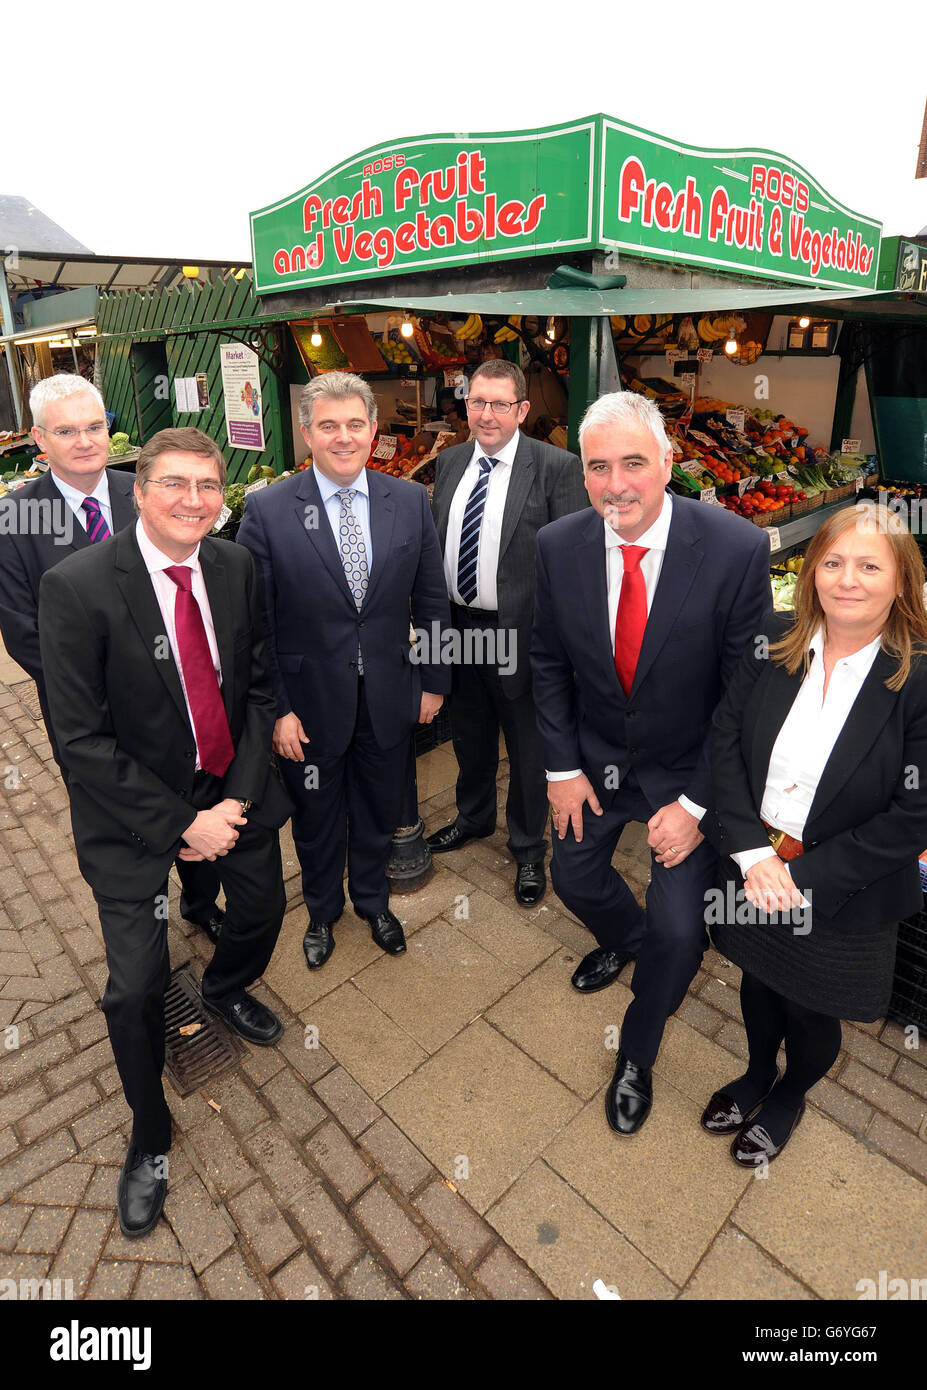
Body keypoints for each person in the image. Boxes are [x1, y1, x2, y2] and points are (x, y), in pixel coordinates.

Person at [38, 427, 291, 1238]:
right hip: (130, 817)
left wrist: (234, 807)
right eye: (175, 484)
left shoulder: (235, 565)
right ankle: (150, 1136)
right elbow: (79, 740)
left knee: (260, 912)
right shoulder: (78, 587)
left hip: (230, 788)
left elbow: (254, 691)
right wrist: (181, 824)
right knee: (135, 988)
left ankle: (223, 988)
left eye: (209, 486)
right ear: (138, 491)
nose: (193, 500)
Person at [531, 390, 771, 1135]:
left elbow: (743, 694)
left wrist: (698, 807)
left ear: (668, 462)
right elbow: (545, 661)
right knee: (571, 876)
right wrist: (559, 767)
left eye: (633, 462)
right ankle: (622, 941)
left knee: (677, 932)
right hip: (594, 762)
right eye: (598, 466)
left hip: (687, 773)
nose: (616, 484)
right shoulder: (557, 544)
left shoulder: (733, 548)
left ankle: (636, 1050)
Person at [702, 502, 927, 1166]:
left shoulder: (916, 682)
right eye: (831, 562)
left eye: (867, 565)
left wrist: (798, 880)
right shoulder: (773, 641)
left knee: (810, 1006)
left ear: (899, 580)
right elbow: (723, 746)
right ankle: (752, 1075)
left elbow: (911, 815)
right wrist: (750, 854)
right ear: (810, 573)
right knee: (756, 977)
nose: (846, 579)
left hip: (840, 890)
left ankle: (788, 1095)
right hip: (753, 863)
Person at [0, 374, 225, 946]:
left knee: (195, 807)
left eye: (95, 426)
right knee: (130, 827)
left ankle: (201, 903)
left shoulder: (149, 491)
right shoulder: (17, 519)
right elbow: (26, 634)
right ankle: (146, 932)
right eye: (66, 431)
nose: (84, 441)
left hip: (181, 711)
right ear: (38, 439)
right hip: (95, 725)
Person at [236, 372, 450, 970]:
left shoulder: (408, 500)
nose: (343, 437)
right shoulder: (269, 510)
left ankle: (373, 902)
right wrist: (278, 708)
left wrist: (433, 681)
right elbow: (258, 625)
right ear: (307, 433)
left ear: (374, 430)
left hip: (389, 695)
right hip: (307, 706)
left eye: (355, 424)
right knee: (317, 817)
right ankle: (322, 913)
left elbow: (431, 599)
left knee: (382, 808)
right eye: (328, 426)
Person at [426, 360, 587, 906]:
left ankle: (526, 849)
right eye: (477, 402)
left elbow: (572, 567)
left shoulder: (557, 468)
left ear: (521, 409)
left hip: (520, 634)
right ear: (464, 405)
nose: (486, 414)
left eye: (499, 403)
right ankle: (472, 818)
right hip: (458, 629)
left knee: (526, 746)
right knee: (468, 733)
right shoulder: (448, 463)